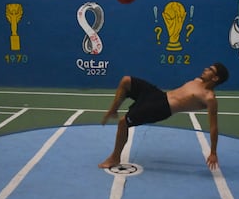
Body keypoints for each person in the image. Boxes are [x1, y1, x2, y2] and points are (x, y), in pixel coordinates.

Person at [98, 63, 229, 171]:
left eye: (210, 70)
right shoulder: (197, 81)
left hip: (161, 109)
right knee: (126, 80)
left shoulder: (209, 98)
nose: (206, 69)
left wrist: (213, 152)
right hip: (159, 96)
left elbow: (213, 127)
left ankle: (115, 157)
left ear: (215, 78)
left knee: (123, 123)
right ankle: (113, 110)